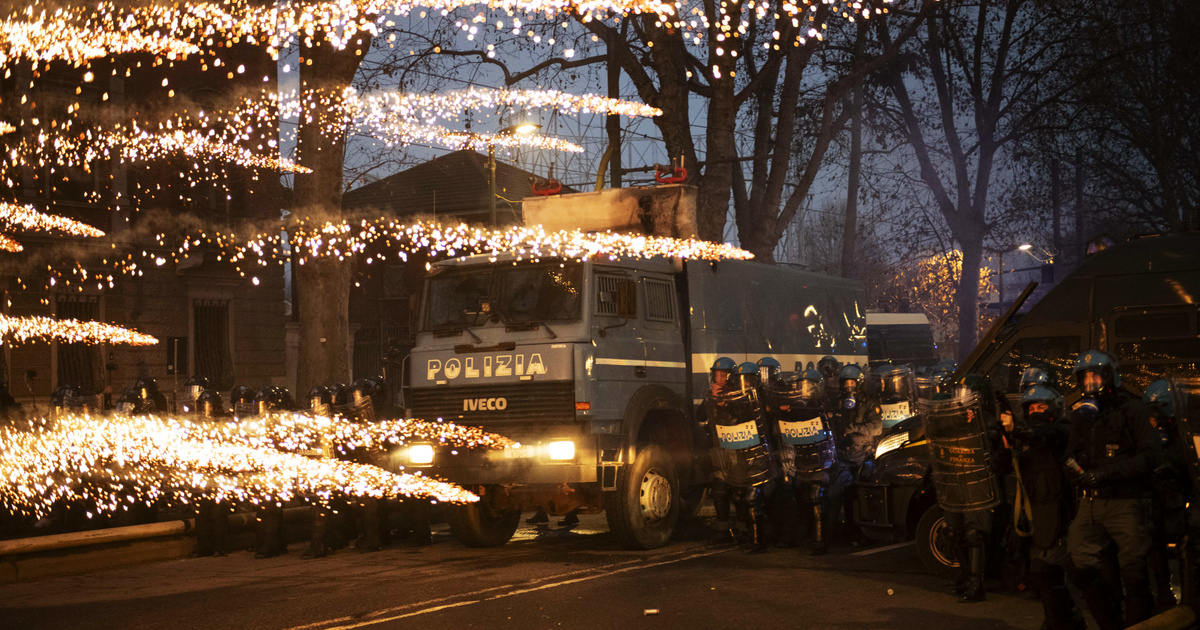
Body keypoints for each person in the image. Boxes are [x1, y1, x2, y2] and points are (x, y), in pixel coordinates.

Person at [1063, 350, 1161, 629]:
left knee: (1134, 573)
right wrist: (1072, 470)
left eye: (1094, 376)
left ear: (1109, 376)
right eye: (1084, 378)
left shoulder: (1134, 410)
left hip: (1127, 501)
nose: (1089, 383)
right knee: (1079, 565)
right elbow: (1071, 454)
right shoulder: (1082, 417)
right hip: (1091, 503)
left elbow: (1151, 455)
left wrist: (1105, 473)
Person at [926, 375, 1007, 603]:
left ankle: (976, 583)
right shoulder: (954, 420)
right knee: (953, 533)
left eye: (968, 396)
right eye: (960, 396)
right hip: (954, 483)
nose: (962, 401)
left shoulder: (989, 422)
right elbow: (935, 430)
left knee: (974, 534)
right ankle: (964, 575)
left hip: (977, 485)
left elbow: (991, 444)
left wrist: (972, 423)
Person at [1011, 384, 1085, 629]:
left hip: (1060, 514)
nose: (1035, 411)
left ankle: (1062, 620)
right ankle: (1065, 618)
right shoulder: (1025, 440)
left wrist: (1019, 432)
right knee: (1037, 575)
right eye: (1031, 407)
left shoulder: (1061, 430)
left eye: (1040, 406)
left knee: (1052, 570)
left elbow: (1047, 437)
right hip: (1032, 516)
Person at [705, 361, 779, 553]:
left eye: (748, 380)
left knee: (753, 497)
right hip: (739, 452)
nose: (744, 384)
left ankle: (760, 539)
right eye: (741, 380)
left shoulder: (761, 397)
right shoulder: (733, 398)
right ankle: (745, 534)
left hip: (760, 453)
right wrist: (718, 401)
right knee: (738, 495)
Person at [766, 367, 836, 554]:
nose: (803, 390)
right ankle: (799, 535)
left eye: (808, 387)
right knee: (796, 498)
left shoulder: (823, 405)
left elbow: (817, 420)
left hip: (820, 459)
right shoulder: (791, 408)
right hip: (799, 461)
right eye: (800, 386)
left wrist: (794, 409)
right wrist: (782, 413)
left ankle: (820, 541)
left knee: (815, 496)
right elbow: (778, 431)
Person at [1143, 379, 1187, 612]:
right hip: (1160, 495)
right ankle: (1164, 591)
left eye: (1156, 411)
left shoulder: (1182, 431)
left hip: (1179, 495)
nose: (1152, 418)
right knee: (1155, 541)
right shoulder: (1156, 434)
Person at [827, 364, 881, 546]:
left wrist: (854, 429)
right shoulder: (838, 402)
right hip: (842, 456)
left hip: (863, 457)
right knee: (835, 495)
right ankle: (835, 533)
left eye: (851, 383)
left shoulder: (869, 403)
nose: (848, 387)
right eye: (845, 383)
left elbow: (876, 427)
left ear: (859, 384)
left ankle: (862, 533)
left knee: (859, 498)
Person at [703, 357, 739, 544]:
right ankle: (723, 530)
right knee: (719, 489)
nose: (719, 378)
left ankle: (743, 529)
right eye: (717, 374)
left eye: (723, 375)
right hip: (719, 449)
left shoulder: (739, 395)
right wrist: (711, 400)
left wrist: (726, 403)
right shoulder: (710, 394)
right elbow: (701, 417)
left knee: (740, 489)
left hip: (736, 448)